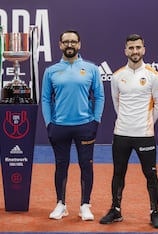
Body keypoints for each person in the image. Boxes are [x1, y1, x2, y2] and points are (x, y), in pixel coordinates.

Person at [99, 34, 158, 228]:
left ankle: (154, 212)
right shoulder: (118, 75)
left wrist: (146, 123)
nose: (135, 51)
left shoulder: (153, 75)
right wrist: (127, 122)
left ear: (143, 49)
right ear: (125, 50)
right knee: (118, 173)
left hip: (145, 135)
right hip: (121, 134)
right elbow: (116, 102)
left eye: (138, 47)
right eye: (131, 48)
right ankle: (116, 210)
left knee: (150, 174)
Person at [41, 30, 105, 220]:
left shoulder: (91, 69)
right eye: (66, 42)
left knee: (86, 165)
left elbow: (99, 96)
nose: (70, 45)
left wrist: (96, 120)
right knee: (61, 166)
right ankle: (61, 204)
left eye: (73, 42)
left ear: (79, 44)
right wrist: (48, 123)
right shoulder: (50, 71)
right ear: (60, 45)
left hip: (85, 126)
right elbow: (45, 98)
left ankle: (85, 205)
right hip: (59, 126)